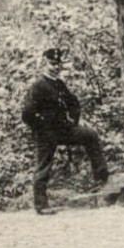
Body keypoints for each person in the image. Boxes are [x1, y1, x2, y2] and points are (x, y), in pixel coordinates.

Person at [20, 47, 110, 215]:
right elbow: (27, 114)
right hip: (46, 133)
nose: (55, 67)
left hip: (63, 130)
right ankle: (41, 205)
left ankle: (102, 179)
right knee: (43, 166)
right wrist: (41, 126)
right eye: (52, 64)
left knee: (90, 135)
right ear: (44, 64)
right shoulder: (38, 86)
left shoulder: (60, 84)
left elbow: (74, 103)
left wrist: (73, 121)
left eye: (58, 64)